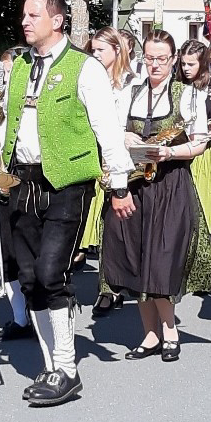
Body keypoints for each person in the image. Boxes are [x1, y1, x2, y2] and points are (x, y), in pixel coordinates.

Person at [0, 0, 134, 406]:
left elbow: (107, 130)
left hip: (66, 184)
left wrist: (119, 184)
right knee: (26, 278)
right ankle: (51, 364)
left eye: (33, 15)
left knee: (49, 273)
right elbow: (10, 121)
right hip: (21, 182)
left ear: (57, 22)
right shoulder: (20, 66)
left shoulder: (85, 67)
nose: (25, 21)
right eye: (23, 14)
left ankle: (67, 368)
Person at [104, 31, 211, 363]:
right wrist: (125, 136)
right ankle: (150, 334)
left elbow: (200, 143)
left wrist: (169, 152)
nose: (155, 64)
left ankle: (169, 330)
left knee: (161, 258)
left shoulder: (188, 95)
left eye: (162, 58)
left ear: (173, 60)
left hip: (170, 184)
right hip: (135, 184)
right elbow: (112, 133)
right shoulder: (130, 91)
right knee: (137, 257)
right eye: (150, 58)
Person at [80, 27, 136, 318]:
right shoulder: (90, 80)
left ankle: (127, 280)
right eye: (92, 50)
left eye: (100, 50)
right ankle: (107, 287)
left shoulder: (131, 84)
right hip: (96, 158)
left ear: (117, 50)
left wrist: (125, 135)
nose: (95, 55)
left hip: (125, 160)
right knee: (104, 225)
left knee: (123, 224)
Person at [177, 39, 211, 227]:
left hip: (207, 152)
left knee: (206, 204)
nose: (186, 68)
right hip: (181, 149)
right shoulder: (176, 85)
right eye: (183, 63)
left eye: (191, 64)